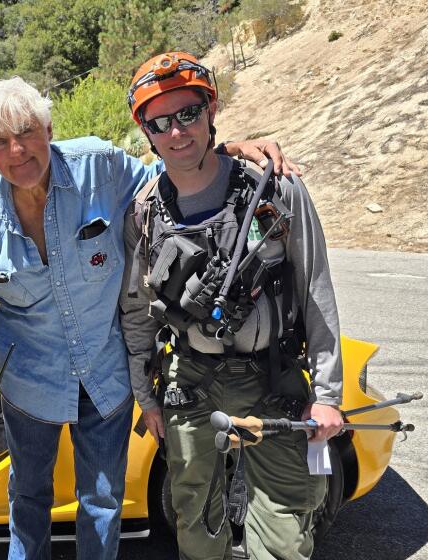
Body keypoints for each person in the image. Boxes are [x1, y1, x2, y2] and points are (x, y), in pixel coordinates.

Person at [0, 76, 297, 560]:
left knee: (101, 502)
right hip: (27, 386)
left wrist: (223, 151)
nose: (17, 151)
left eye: (26, 132)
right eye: (0, 142)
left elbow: (176, 173)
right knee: (28, 499)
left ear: (49, 128)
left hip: (107, 378)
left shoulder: (100, 167)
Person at [119, 51, 343, 560]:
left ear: (211, 109)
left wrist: (328, 393)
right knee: (193, 520)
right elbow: (136, 312)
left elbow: (316, 290)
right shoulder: (145, 212)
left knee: (286, 532)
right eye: (160, 122)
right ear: (146, 132)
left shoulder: (277, 187)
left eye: (188, 114)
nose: (177, 133)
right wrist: (146, 397)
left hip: (275, 378)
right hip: (189, 380)